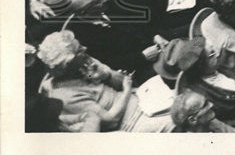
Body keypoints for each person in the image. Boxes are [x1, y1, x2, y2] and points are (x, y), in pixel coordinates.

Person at [35, 30, 173, 132]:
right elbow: (110, 121)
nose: (85, 49)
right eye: (79, 50)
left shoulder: (84, 62)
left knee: (185, 98)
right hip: (131, 123)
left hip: (143, 99)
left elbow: (123, 81)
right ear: (68, 64)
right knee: (174, 122)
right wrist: (126, 91)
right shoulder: (64, 96)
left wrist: (105, 75)